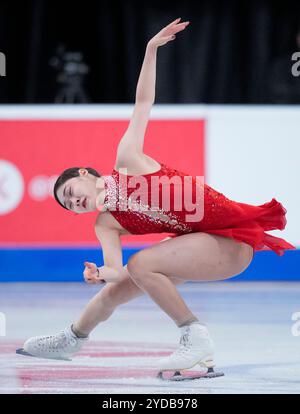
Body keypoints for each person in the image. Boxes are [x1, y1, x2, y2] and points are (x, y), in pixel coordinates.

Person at [18, 18, 295, 375]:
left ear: (85, 174)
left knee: (142, 264)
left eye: (71, 193)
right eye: (69, 206)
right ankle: (71, 339)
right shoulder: (106, 223)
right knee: (115, 291)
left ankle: (194, 338)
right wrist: (101, 274)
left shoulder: (127, 160)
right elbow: (117, 271)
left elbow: (143, 101)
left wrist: (150, 50)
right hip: (201, 246)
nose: (75, 203)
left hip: (231, 242)